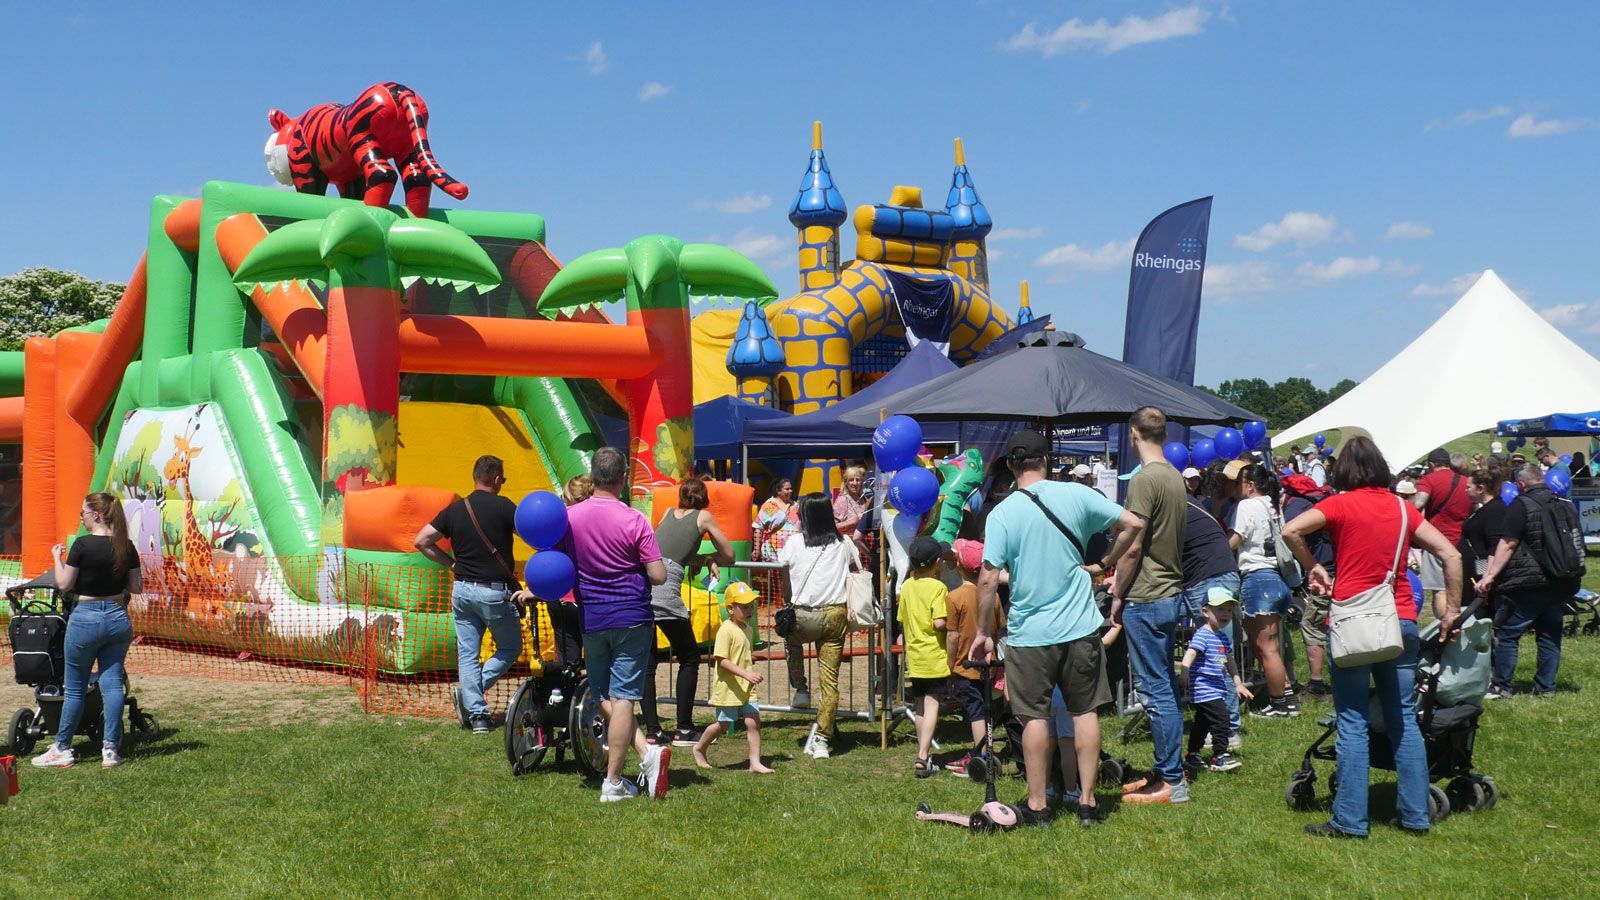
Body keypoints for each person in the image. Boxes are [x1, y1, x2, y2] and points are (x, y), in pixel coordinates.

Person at [1282, 435, 1461, 839]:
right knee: (1403, 720)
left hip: (1355, 622)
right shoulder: (1402, 508)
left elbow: (1291, 529)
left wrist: (1313, 566)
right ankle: (1415, 815)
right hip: (1401, 620)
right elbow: (1452, 554)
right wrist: (1451, 611)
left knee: (1352, 721)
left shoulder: (1340, 504)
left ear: (1343, 470)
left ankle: (1350, 820)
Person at [970, 429, 1144, 827]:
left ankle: (1038, 805)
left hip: (1030, 632)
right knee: (1084, 713)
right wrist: (1104, 564)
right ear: (1045, 460)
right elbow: (1133, 525)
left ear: (1012, 467)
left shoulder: (1002, 513)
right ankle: (1086, 802)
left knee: (1033, 717)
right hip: (1080, 626)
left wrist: (983, 631)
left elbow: (986, 578)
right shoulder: (1078, 495)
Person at [564, 447, 671, 802]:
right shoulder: (634, 519)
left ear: (592, 477)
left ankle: (645, 754)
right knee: (623, 696)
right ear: (623, 479)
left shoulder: (569, 518)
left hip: (592, 615)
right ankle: (613, 782)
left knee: (602, 694)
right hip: (630, 615)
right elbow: (658, 575)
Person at [414, 455, 530, 735]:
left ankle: (477, 716)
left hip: (462, 590)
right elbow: (533, 536)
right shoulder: (505, 507)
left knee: (468, 654)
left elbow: (421, 541)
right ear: (497, 478)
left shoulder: (454, 510)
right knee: (510, 648)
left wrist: (451, 564)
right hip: (493, 593)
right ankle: (471, 697)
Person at [1112, 407, 1192, 805]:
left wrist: (1115, 589)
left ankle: (1172, 783)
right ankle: (1166, 771)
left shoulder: (1145, 480)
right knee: (1164, 686)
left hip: (1146, 594)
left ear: (1132, 435)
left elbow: (1134, 544)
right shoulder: (1175, 477)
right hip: (1169, 591)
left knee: (1155, 689)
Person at [31, 494, 142, 770]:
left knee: (76, 688)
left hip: (85, 618)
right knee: (113, 684)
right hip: (117, 617)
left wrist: (57, 558)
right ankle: (111, 750)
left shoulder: (81, 545)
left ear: (95, 514)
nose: (81, 516)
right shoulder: (126, 546)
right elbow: (137, 586)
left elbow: (64, 584)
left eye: (83, 512)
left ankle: (63, 748)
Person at [1478, 463, 1584, 699]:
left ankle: (1501, 686)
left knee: (1507, 633)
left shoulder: (1521, 504)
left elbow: (1508, 544)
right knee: (1549, 634)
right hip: (1560, 580)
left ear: (1521, 484)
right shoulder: (1564, 504)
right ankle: (1546, 687)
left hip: (1527, 583)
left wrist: (1490, 576)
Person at [642, 477, 735, 746]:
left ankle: (652, 731)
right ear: (703, 497)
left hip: (645, 584)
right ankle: (683, 729)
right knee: (690, 657)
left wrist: (702, 559)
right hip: (666, 587)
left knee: (648, 664)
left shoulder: (668, 514)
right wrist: (713, 559)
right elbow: (728, 552)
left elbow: (669, 551)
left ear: (680, 495)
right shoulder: (703, 517)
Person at [780, 492, 859, 759]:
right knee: (830, 682)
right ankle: (823, 739)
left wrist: (788, 601)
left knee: (790, 641)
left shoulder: (793, 543)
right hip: (836, 616)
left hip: (803, 615)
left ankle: (800, 687)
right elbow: (857, 567)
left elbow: (785, 577)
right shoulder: (843, 543)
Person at [1224, 460, 1297, 718]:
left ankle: (1280, 705)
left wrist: (1217, 550)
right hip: (1277, 578)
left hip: (1258, 578)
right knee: (1272, 647)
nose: (1234, 488)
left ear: (1251, 485)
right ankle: (1286, 696)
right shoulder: (1273, 505)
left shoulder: (1247, 505)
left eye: (1238, 483)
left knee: (1266, 649)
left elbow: (1237, 538)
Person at [1178, 477, 1244, 746]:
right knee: (1218, 654)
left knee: (1215, 659)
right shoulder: (1190, 505)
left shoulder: (1172, 509)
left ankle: (1227, 730)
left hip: (1208, 580)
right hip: (1221, 574)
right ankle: (1222, 726)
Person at [692, 582, 773, 774]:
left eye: (750, 606)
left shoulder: (748, 630)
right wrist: (746, 673)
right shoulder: (725, 630)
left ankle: (755, 763)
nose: (749, 610)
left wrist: (749, 675)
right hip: (728, 688)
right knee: (723, 724)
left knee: (753, 721)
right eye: (743, 607)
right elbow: (722, 660)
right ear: (730, 608)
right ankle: (699, 747)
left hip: (746, 688)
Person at [942, 538, 1004, 777]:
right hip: (989, 664)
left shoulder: (954, 597)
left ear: (958, 566)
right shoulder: (995, 597)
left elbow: (953, 636)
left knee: (976, 711)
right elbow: (999, 629)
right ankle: (986, 751)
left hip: (965, 665)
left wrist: (950, 663)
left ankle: (982, 757)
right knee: (986, 709)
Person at [1180, 587, 1252, 773]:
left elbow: (1230, 661)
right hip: (1204, 688)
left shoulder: (1221, 637)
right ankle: (1220, 756)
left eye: (1229, 610)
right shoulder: (1203, 634)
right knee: (1222, 719)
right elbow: (1190, 652)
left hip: (1216, 688)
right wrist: (1185, 672)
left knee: (1202, 722)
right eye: (1220, 609)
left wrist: (1238, 683)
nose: (1226, 614)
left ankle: (1193, 754)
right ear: (1205, 611)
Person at [897, 535, 950, 777]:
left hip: (915, 656)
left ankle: (923, 754)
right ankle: (922, 754)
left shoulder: (907, 586)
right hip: (934, 656)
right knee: (932, 704)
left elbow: (902, 618)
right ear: (938, 562)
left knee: (919, 705)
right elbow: (939, 622)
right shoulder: (939, 588)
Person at [1282, 473, 1335, 701]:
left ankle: (1315, 686)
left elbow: (1288, 532)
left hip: (1325, 574)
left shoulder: (1295, 508)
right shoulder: (1317, 503)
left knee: (1312, 625)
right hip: (1337, 568)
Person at [1413, 448, 1472, 600]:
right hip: (1462, 541)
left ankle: (1446, 623)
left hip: (1437, 541)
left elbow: (1418, 504)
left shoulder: (1429, 479)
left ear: (1432, 464)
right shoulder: (1466, 482)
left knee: (1440, 590)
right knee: (1459, 587)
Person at [755, 477, 796, 561]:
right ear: (778, 491)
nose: (790, 491)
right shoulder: (768, 506)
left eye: (791, 488)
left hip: (792, 551)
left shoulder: (795, 506)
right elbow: (758, 528)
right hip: (773, 551)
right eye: (787, 489)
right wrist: (756, 550)